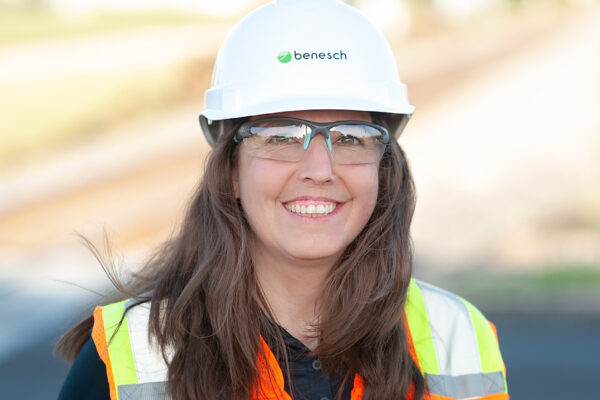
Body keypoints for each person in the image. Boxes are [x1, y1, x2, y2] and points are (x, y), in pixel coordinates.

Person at [57, 1, 509, 399]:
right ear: (232, 170)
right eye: (281, 137)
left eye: (351, 137)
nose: (320, 169)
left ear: (383, 168)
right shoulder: (131, 355)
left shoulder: (459, 337)